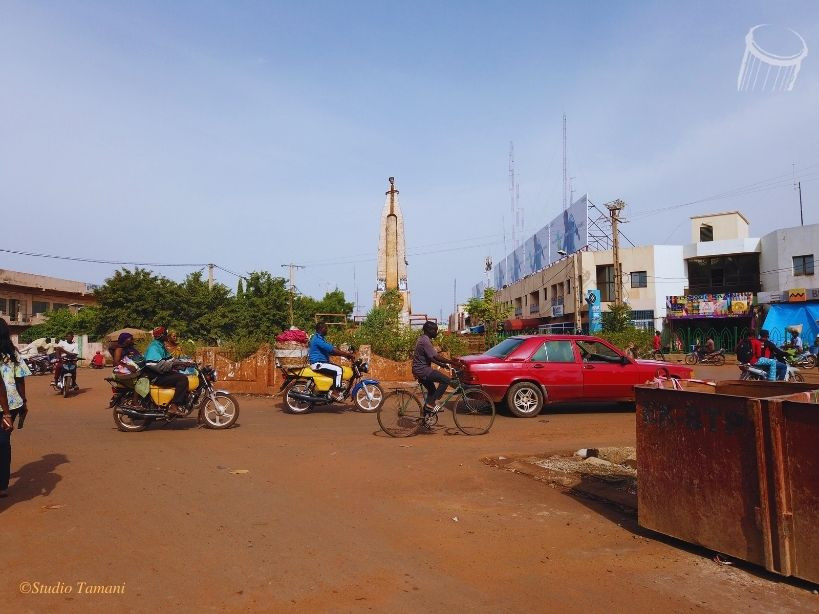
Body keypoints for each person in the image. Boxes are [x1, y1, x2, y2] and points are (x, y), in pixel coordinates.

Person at [0, 319, 31, 497]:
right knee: (4, 443)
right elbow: (20, 379)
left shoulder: (13, 354)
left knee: (3, 443)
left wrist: (24, 402)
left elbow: (20, 378)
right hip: (12, 404)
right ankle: (3, 484)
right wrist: (24, 403)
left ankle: (2, 483)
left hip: (9, 404)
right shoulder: (13, 354)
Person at [144, 327, 189, 415]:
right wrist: (174, 365)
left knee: (181, 375)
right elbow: (154, 365)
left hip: (161, 374)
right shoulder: (154, 347)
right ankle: (174, 405)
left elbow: (170, 360)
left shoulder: (160, 346)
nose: (167, 336)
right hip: (155, 376)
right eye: (165, 334)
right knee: (182, 379)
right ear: (161, 336)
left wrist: (185, 363)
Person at [412, 321, 456, 413]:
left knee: (432, 391)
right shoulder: (425, 341)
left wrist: (442, 365)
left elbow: (430, 357)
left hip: (419, 369)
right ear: (429, 330)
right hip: (422, 370)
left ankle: (426, 417)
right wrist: (451, 361)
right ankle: (431, 404)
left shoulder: (422, 339)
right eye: (435, 330)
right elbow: (435, 356)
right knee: (446, 380)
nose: (436, 333)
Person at [307, 322, 354, 401]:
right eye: (326, 328)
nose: (327, 330)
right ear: (321, 329)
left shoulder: (320, 339)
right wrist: (347, 354)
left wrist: (345, 355)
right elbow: (332, 349)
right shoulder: (318, 340)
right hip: (318, 364)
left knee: (335, 369)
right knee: (339, 370)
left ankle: (330, 390)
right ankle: (335, 393)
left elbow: (332, 351)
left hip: (320, 363)